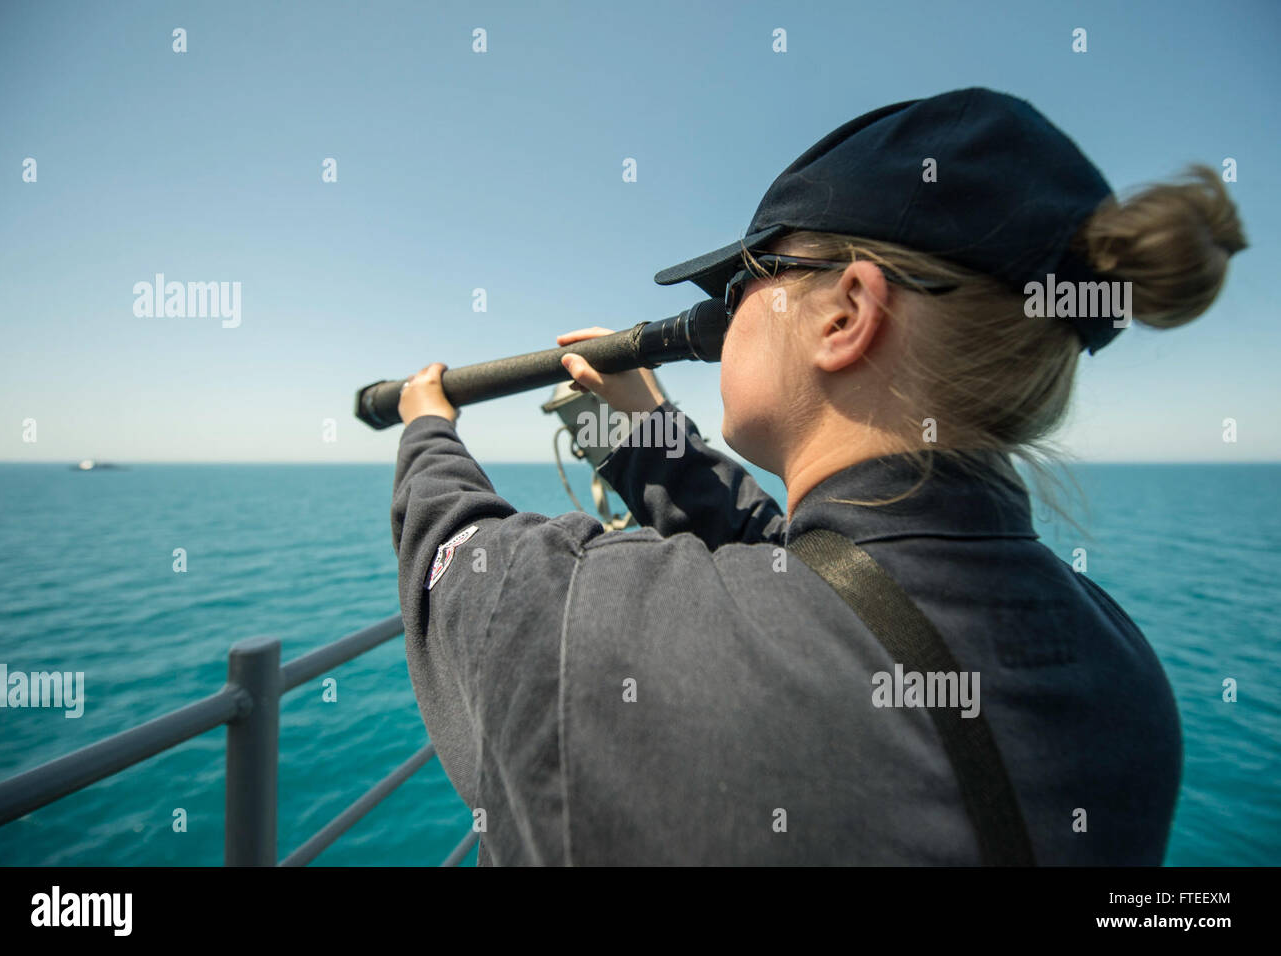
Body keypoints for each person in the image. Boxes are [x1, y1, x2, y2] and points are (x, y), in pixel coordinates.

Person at [390, 87, 1246, 865]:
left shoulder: (590, 631)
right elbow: (838, 579)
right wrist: (648, 437)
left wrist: (426, 419)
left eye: (748, 281)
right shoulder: (1125, 675)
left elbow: (460, 561)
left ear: (845, 313)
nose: (726, 322)